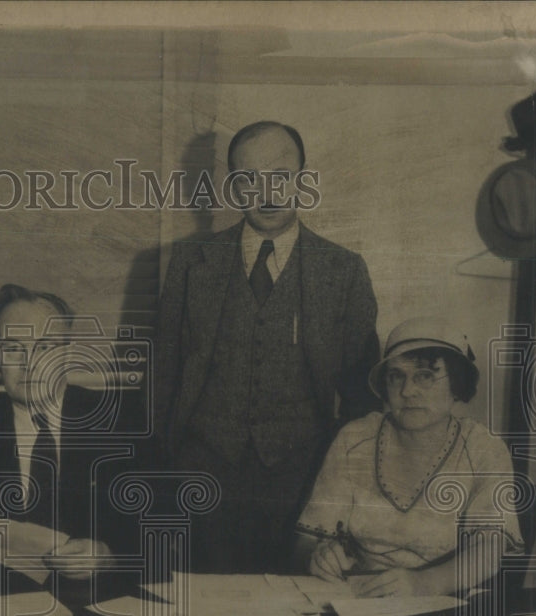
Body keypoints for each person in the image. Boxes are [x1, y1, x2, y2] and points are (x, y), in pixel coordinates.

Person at [155, 120, 381, 574]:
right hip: (202, 477)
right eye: (249, 179)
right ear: (232, 188)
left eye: (281, 175)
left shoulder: (344, 271)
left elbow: (363, 399)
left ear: (304, 179)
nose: (268, 192)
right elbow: (161, 381)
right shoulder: (190, 264)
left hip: (302, 481)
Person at [0, 284, 153, 582]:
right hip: (0, 611)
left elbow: (167, 535)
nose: (30, 365)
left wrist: (109, 556)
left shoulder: (123, 426)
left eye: (45, 347)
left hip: (105, 607)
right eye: (13, 349)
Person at [296, 317, 523, 596]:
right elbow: (307, 539)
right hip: (357, 599)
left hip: (445, 604)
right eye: (396, 376)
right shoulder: (354, 439)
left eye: (425, 376)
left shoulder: (483, 449)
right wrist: (318, 556)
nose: (407, 391)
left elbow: (490, 550)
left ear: (456, 384)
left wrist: (423, 583)